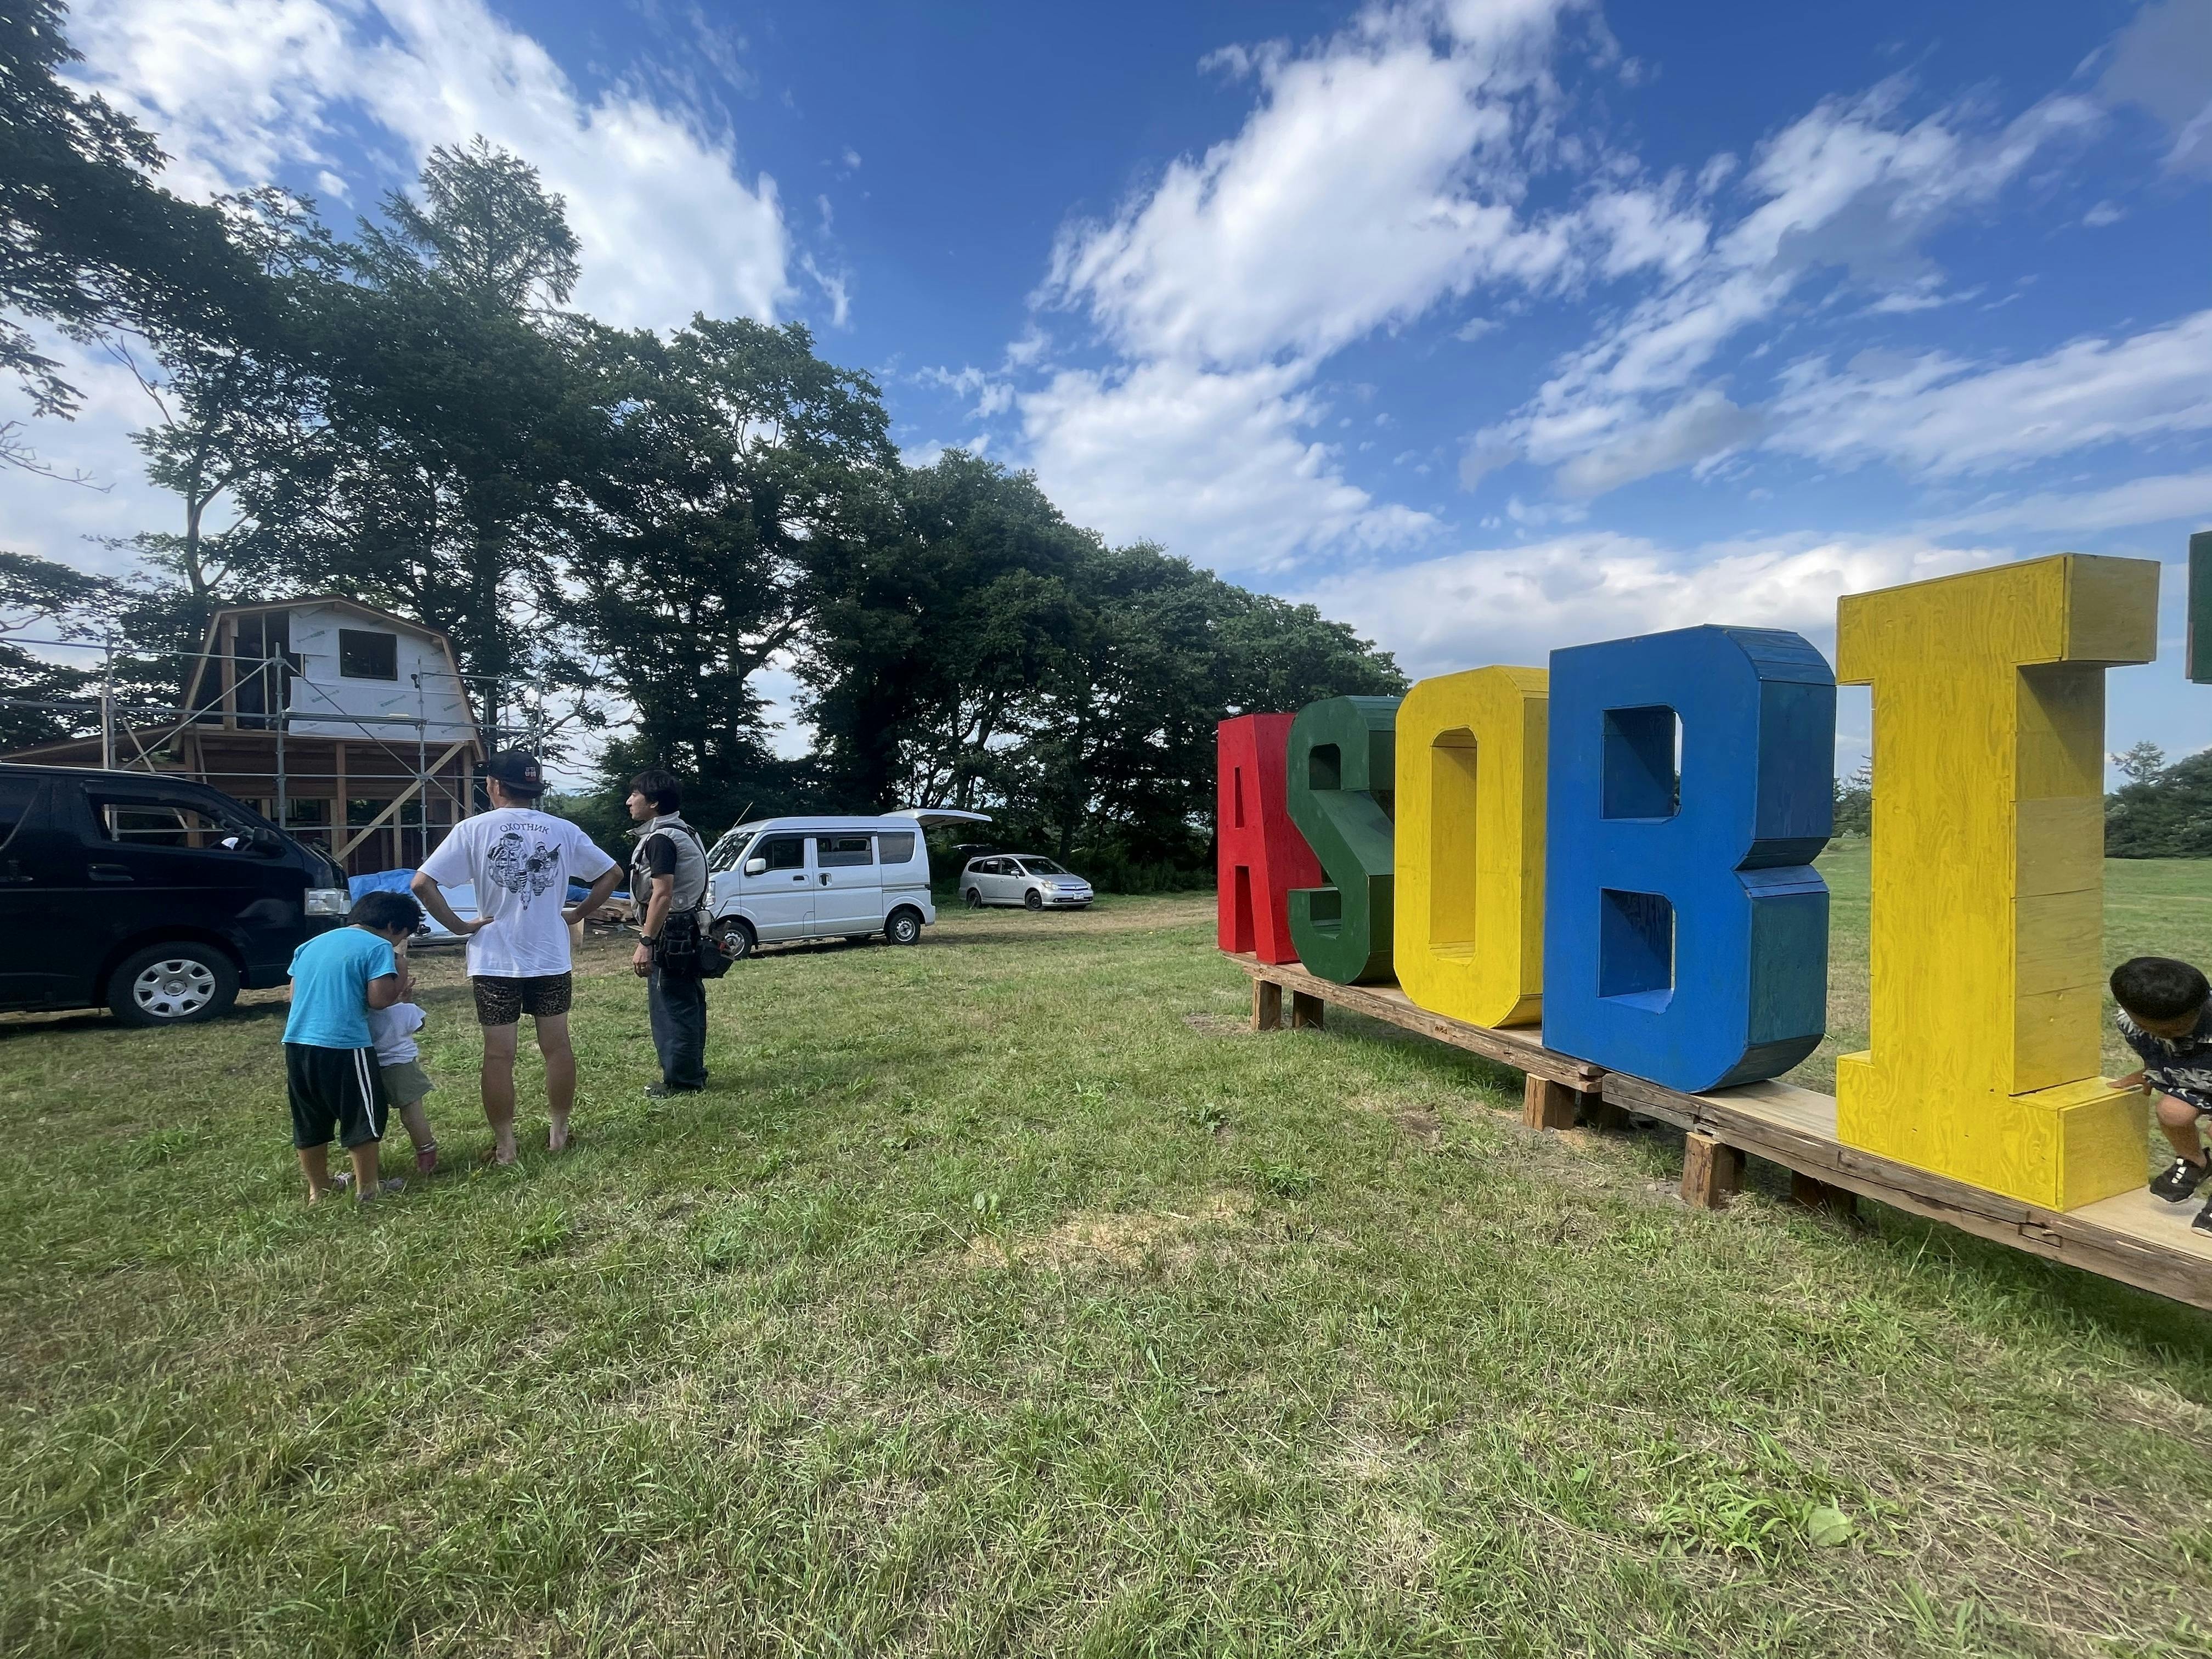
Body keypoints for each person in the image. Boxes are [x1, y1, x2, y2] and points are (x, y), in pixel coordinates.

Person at [412, 750, 622, 1163]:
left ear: (493, 785)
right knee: (557, 1047)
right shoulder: (563, 829)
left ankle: (506, 1147)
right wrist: (578, 913)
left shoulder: (473, 829)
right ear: (534, 789)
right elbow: (612, 874)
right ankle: (559, 1135)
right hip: (550, 956)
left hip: (495, 958)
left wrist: (459, 926)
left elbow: (422, 883)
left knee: (498, 1054)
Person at [283, 888, 422, 1205]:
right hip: (346, 1045)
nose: (397, 945)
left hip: (298, 1042)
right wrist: (401, 976)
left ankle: (319, 1189)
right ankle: (368, 1189)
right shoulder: (378, 946)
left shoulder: (310, 944)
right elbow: (379, 1000)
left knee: (310, 1117)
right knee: (361, 1114)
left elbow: (293, 995)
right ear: (392, 926)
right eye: (401, 937)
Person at [625, 768, 710, 1097]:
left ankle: (682, 1081)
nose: (629, 801)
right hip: (687, 926)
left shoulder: (662, 838)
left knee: (672, 1006)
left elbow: (662, 895)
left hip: (671, 931)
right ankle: (691, 1072)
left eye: (635, 794)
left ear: (654, 803)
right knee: (687, 1002)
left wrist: (646, 941)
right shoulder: (684, 830)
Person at [2112, 955, 2212, 1234]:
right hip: (2197, 1081)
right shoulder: (2130, 1022)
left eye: (2177, 1028)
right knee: (2172, 1113)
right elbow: (2154, 1051)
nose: (2164, 1034)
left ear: (2202, 1005)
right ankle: (2195, 1161)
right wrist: (2150, 1070)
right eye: (2150, 1028)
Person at [365, 944, 439, 1176]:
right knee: (412, 1113)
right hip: (403, 1067)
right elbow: (420, 1025)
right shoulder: (406, 1011)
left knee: (371, 1116)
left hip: (370, 1066)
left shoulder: (363, 1012)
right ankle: (427, 1154)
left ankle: (367, 1165)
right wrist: (406, 1002)